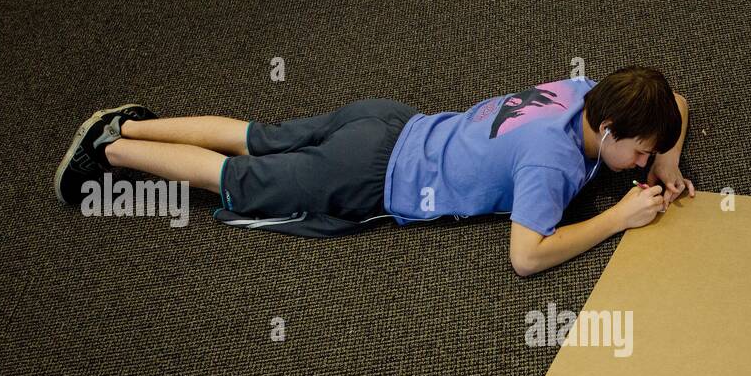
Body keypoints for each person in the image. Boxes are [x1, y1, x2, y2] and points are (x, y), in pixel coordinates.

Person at [53, 66, 695, 277]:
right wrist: (618, 216)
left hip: (389, 121)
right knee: (235, 180)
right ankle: (111, 152)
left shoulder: (590, 89)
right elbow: (526, 256)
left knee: (260, 137)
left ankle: (136, 121)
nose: (640, 163)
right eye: (638, 152)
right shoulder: (551, 166)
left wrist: (667, 162)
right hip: (372, 178)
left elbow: (680, 105)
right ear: (606, 132)